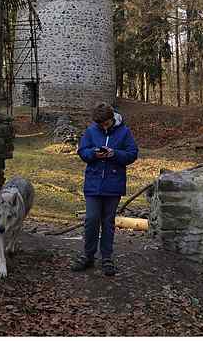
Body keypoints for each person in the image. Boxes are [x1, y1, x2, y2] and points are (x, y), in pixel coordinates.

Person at [71, 102, 138, 276]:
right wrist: (94, 153)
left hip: (113, 185)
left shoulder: (124, 132)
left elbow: (132, 153)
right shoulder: (91, 131)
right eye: (100, 124)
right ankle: (88, 255)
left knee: (108, 222)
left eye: (106, 123)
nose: (103, 127)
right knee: (91, 220)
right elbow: (82, 151)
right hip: (93, 184)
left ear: (112, 119)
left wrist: (114, 154)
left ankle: (107, 257)